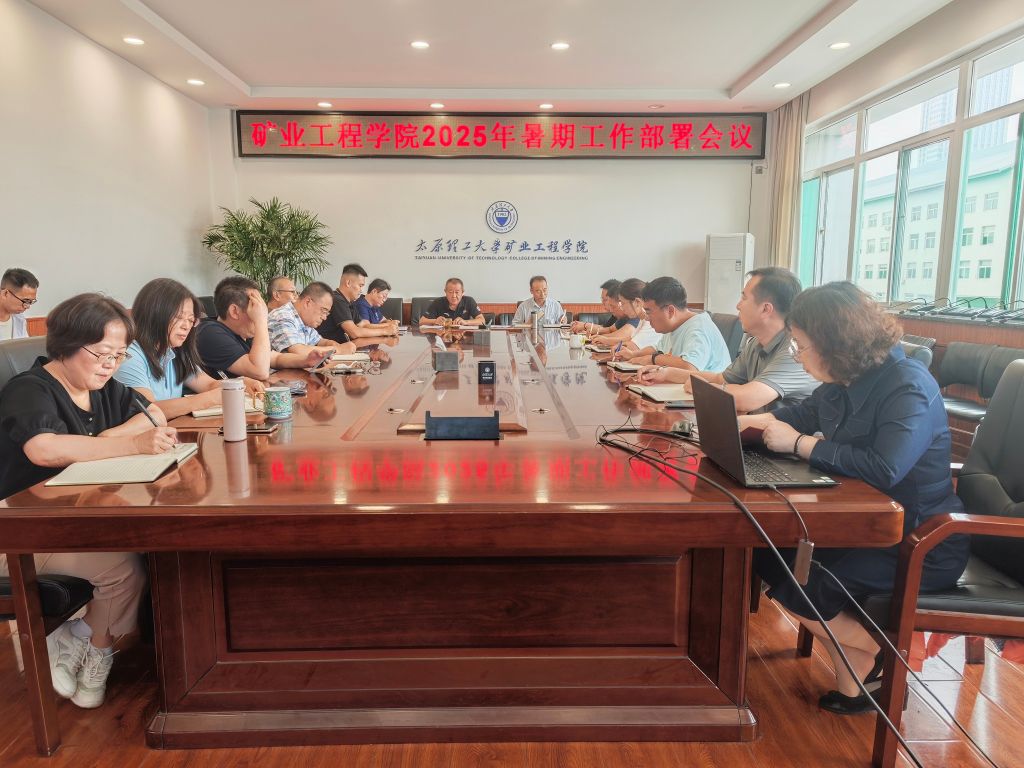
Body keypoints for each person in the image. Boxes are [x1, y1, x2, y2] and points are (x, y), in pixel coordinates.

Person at [739, 282, 970, 715]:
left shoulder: (908, 386)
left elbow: (885, 467)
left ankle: (884, 655)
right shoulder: (843, 380)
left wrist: (802, 444)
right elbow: (799, 414)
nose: (797, 356)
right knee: (765, 553)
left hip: (917, 540)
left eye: (802, 346)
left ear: (836, 344)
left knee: (804, 583)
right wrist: (739, 424)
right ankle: (861, 670)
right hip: (861, 524)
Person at [0, 293, 177, 708]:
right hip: (18, 534)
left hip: (73, 521)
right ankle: (92, 644)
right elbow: (43, 449)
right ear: (66, 344)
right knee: (124, 569)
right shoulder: (30, 388)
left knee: (148, 552)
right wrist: (130, 444)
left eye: (119, 355)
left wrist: (111, 438)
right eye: (101, 354)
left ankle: (82, 638)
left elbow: (153, 414)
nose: (110, 365)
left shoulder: (104, 388)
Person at [637, 267, 817, 412]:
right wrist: (666, 373)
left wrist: (702, 388)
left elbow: (747, 399)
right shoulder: (756, 343)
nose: (738, 305)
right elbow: (720, 378)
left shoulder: (795, 349)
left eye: (744, 298)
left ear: (765, 309)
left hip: (787, 444)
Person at [115, 278, 264, 419]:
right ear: (154, 314)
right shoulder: (129, 357)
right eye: (179, 317)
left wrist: (239, 383)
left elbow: (208, 385)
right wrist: (209, 399)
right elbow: (148, 410)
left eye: (191, 319)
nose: (186, 326)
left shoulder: (173, 351)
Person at [195, 276, 335, 380]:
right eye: (256, 308)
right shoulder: (210, 332)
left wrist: (306, 360)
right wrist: (261, 320)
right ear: (235, 311)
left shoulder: (243, 333)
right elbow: (260, 371)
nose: (263, 313)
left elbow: (276, 358)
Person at [614, 276, 730, 372]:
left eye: (649, 312)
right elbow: (657, 349)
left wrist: (653, 359)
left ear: (670, 311)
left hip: (706, 392)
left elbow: (689, 367)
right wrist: (633, 354)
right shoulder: (674, 325)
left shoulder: (698, 328)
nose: (647, 318)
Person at [268, 281, 356, 356]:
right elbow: (297, 351)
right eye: (323, 311)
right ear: (307, 302)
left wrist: (333, 344)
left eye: (327, 313)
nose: (324, 317)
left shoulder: (304, 321)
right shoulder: (282, 316)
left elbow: (320, 342)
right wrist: (338, 350)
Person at [602, 278, 660, 350]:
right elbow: (629, 339)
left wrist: (606, 340)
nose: (622, 308)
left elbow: (633, 346)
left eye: (623, 303)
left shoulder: (650, 321)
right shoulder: (642, 320)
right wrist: (604, 340)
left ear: (637, 302)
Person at [318, 263, 369, 343]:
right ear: (348, 283)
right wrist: (384, 331)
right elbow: (354, 333)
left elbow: (362, 325)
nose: (361, 290)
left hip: (343, 346)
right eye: (360, 285)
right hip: (328, 348)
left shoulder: (349, 301)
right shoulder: (337, 300)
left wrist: (386, 328)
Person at [419, 278, 485, 326]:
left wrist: (466, 322)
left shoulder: (469, 301)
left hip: (463, 337)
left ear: (462, 292)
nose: (454, 296)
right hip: (442, 337)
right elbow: (421, 321)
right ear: (445, 292)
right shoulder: (438, 302)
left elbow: (482, 321)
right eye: (450, 292)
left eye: (457, 292)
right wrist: (435, 321)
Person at [0, 267, 39, 340]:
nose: (27, 306)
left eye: (30, 302)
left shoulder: (20, 319)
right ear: (5, 294)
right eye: (25, 301)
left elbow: (23, 346)